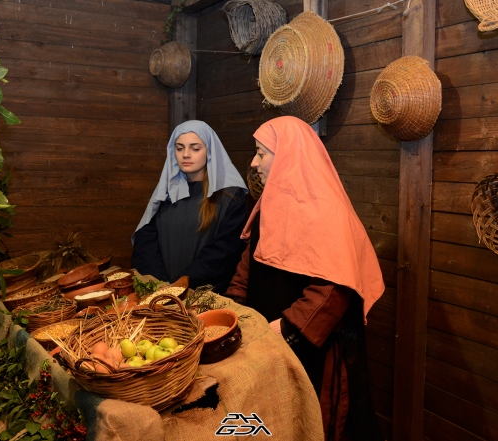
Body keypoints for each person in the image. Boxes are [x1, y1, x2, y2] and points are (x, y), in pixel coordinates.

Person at [226, 116, 385, 441]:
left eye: (261, 153)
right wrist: (234, 311)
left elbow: (336, 286)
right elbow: (250, 264)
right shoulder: (268, 205)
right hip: (269, 346)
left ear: (287, 155)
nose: (255, 163)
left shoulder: (327, 210)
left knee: (313, 425)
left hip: (314, 353)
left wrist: (288, 327)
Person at [131, 120, 248, 293]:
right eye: (179, 148)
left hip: (204, 294)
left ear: (209, 151)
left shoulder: (229, 196)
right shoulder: (165, 192)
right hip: (160, 292)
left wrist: (182, 284)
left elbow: (222, 252)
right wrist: (160, 285)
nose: (186, 154)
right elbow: (146, 241)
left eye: (195, 148)